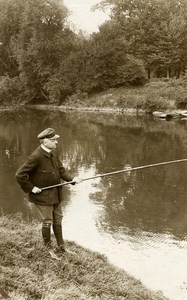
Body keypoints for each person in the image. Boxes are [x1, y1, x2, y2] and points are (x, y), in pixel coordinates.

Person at [15, 127, 82, 254]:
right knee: (47, 221)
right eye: (53, 140)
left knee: (58, 219)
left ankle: (62, 247)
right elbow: (20, 175)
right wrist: (31, 188)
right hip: (42, 196)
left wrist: (73, 179)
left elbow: (61, 170)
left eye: (56, 140)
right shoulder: (36, 156)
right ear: (45, 142)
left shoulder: (52, 153)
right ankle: (48, 250)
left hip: (56, 195)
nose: (56, 142)